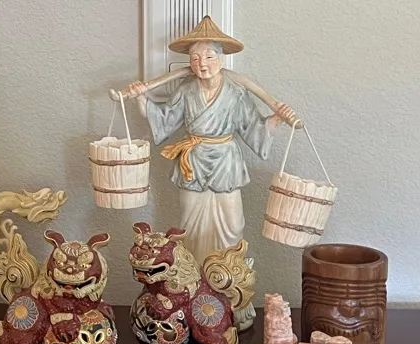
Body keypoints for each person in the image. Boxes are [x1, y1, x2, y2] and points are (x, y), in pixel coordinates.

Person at [126, 16, 296, 264]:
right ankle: (192, 273)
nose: (202, 64)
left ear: (221, 59)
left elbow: (253, 127)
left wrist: (277, 118)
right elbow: (163, 118)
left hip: (226, 162)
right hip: (193, 161)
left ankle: (228, 272)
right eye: (195, 58)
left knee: (233, 223)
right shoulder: (186, 89)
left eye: (208, 57)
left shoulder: (236, 91)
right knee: (189, 223)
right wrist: (141, 97)